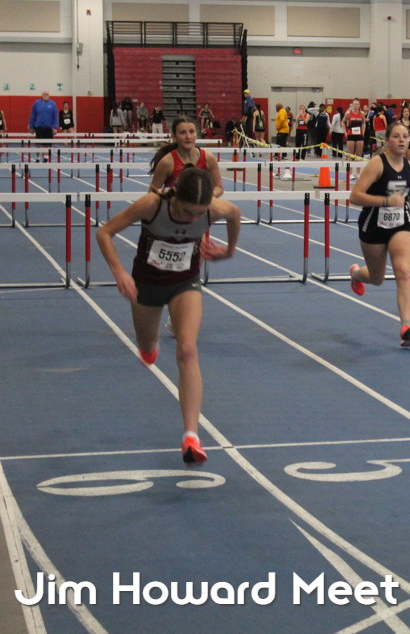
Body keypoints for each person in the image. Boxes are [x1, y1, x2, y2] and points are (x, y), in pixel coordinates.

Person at [96, 166, 241, 464]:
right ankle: (149, 348)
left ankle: (191, 436)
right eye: (187, 211)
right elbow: (104, 232)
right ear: (175, 197)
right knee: (147, 347)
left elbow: (234, 213)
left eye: (199, 214)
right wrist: (119, 272)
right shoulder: (152, 205)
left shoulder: (213, 209)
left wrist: (228, 251)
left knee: (187, 349)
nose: (193, 219)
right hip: (146, 285)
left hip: (184, 283)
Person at [347, 122, 410, 347]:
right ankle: (356, 275)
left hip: (400, 223)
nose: (402, 140)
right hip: (373, 224)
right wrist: (386, 200)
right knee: (377, 278)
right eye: (396, 136)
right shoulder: (377, 164)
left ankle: (406, 326)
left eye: (405, 136)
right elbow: (355, 196)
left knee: (403, 270)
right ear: (387, 140)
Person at [149, 116, 225, 199]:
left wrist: (204, 197)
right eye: (182, 133)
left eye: (191, 132)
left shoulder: (208, 158)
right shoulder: (167, 162)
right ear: (174, 137)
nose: (188, 137)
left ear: (197, 134)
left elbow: (219, 187)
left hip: (203, 205)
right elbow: (152, 193)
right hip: (176, 206)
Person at [28, 91, 59, 161]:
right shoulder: (36, 103)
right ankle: (37, 157)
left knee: (48, 144)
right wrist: (31, 126)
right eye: (44, 94)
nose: (46, 95)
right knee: (38, 144)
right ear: (41, 95)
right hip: (39, 127)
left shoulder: (53, 104)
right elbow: (33, 115)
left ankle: (46, 158)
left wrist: (55, 127)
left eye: (47, 94)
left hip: (49, 127)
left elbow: (55, 117)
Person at [274, 102, 291, 180]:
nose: (275, 108)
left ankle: (283, 155)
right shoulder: (282, 111)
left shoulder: (281, 112)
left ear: (279, 107)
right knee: (279, 143)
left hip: (282, 130)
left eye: (276, 107)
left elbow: (281, 120)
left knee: (280, 143)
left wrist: (278, 127)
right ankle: (278, 154)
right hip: (282, 130)